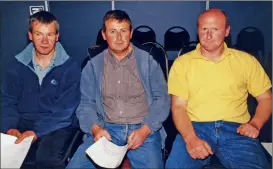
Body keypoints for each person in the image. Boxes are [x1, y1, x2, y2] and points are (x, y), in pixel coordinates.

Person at [166, 9, 272, 169]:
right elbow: (178, 107)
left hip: (236, 129)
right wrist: (190, 139)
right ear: (198, 30)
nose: (208, 35)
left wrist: (255, 124)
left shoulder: (246, 61)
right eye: (204, 29)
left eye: (215, 29)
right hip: (195, 127)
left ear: (227, 31)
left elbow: (266, 98)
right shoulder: (183, 64)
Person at [66, 10, 170, 168]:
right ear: (104, 34)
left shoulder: (148, 62)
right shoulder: (93, 66)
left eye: (123, 31)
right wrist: (95, 129)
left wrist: (146, 129)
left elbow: (162, 99)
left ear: (131, 33)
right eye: (113, 32)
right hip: (106, 129)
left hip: (142, 128)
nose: (119, 38)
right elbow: (86, 104)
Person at [1, 11, 81, 169]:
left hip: (56, 124)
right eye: (39, 34)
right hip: (22, 122)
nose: (45, 40)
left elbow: (65, 111)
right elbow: (7, 101)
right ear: (30, 35)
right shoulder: (16, 66)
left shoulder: (70, 68)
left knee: (47, 160)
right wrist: (10, 128)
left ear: (57, 36)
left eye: (50, 34)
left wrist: (36, 132)